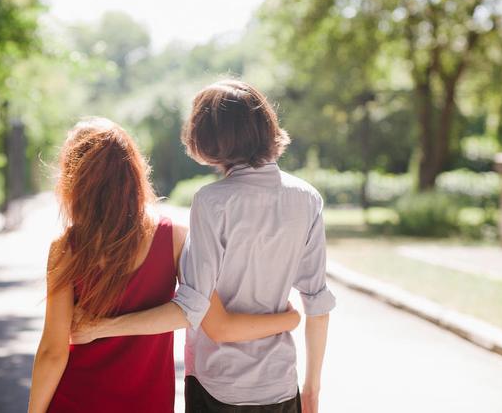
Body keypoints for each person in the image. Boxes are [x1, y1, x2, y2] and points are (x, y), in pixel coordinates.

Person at [72, 80, 336, 413]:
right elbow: (318, 307)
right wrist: (311, 390)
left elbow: (192, 308)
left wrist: (102, 327)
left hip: (218, 385)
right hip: (281, 384)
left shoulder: (213, 202)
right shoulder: (307, 198)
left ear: (209, 138)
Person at [27, 117, 300, 413]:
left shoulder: (67, 248)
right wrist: (290, 319)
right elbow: (198, 313)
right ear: (134, 174)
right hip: (149, 403)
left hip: (77, 401)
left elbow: (53, 353)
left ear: (75, 182)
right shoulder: (174, 239)